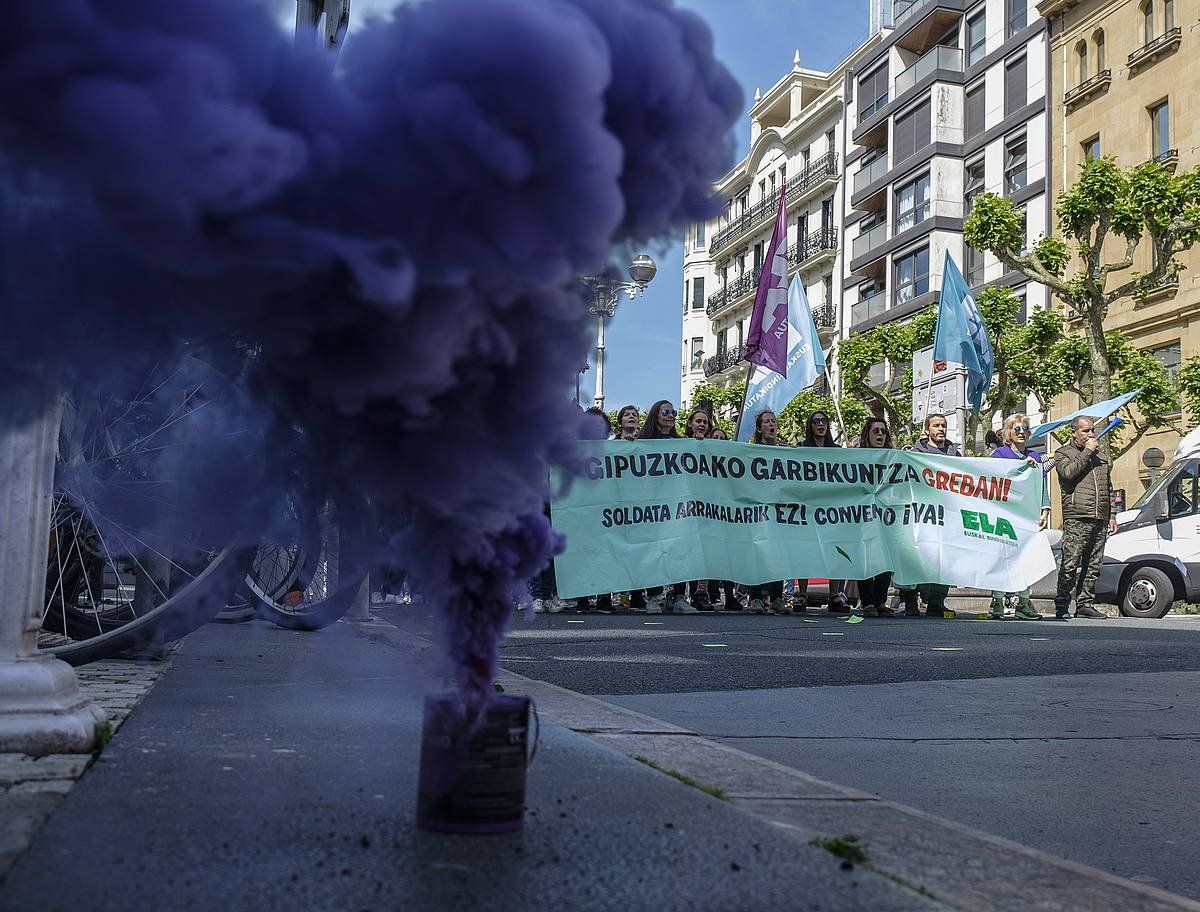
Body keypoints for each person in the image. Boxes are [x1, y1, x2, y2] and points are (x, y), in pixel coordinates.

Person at [989, 414, 1049, 620]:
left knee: (1026, 557)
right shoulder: (999, 454)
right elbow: (993, 479)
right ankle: (997, 600)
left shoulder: (1036, 456)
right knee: (1001, 556)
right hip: (1005, 513)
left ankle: (1023, 602)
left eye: (1025, 428)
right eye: (1017, 429)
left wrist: (1046, 507)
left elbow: (1041, 484)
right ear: (1008, 433)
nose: (1022, 432)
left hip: (1027, 514)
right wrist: (1021, 467)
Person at [1053, 416, 1114, 620]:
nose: (1091, 434)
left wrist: (1111, 514)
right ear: (1075, 432)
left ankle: (1085, 604)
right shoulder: (1063, 453)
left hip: (1100, 517)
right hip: (1077, 516)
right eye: (1086, 431)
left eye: (1092, 431)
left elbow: (1108, 487)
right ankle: (1062, 605)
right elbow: (1068, 474)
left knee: (1093, 564)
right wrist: (1087, 452)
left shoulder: (1102, 457)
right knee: (1070, 564)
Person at [900, 413, 960, 619]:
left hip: (946, 516)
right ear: (927, 430)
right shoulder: (916, 453)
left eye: (943, 425)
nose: (941, 429)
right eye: (936, 425)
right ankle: (910, 600)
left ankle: (936, 601)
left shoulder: (955, 455)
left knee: (943, 558)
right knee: (915, 557)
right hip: (920, 515)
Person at [634, 400, 692, 614]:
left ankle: (678, 596)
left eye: (673, 412)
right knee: (653, 550)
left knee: (679, 550)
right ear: (655, 416)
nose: (671, 415)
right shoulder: (643, 442)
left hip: (677, 506)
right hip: (652, 507)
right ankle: (655, 595)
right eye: (666, 411)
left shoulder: (682, 443)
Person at [795, 411, 850, 614]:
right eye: (816, 421)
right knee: (805, 549)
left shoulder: (836, 450)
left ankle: (834, 595)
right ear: (810, 425)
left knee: (835, 550)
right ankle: (802, 593)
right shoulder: (801, 448)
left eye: (824, 421)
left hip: (831, 509)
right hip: (808, 507)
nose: (821, 424)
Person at [749, 410, 791, 615]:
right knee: (757, 553)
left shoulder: (786, 452)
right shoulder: (750, 451)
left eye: (774, 421)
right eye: (767, 422)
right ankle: (755, 597)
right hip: (757, 509)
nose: (772, 424)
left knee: (778, 553)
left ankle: (776, 598)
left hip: (779, 509)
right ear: (759, 428)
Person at [856, 418, 896, 617]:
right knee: (865, 558)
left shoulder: (892, 458)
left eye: (883, 431)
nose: (880, 435)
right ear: (867, 435)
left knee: (886, 558)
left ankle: (880, 601)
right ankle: (867, 602)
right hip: (863, 517)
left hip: (886, 517)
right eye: (876, 431)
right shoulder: (857, 458)